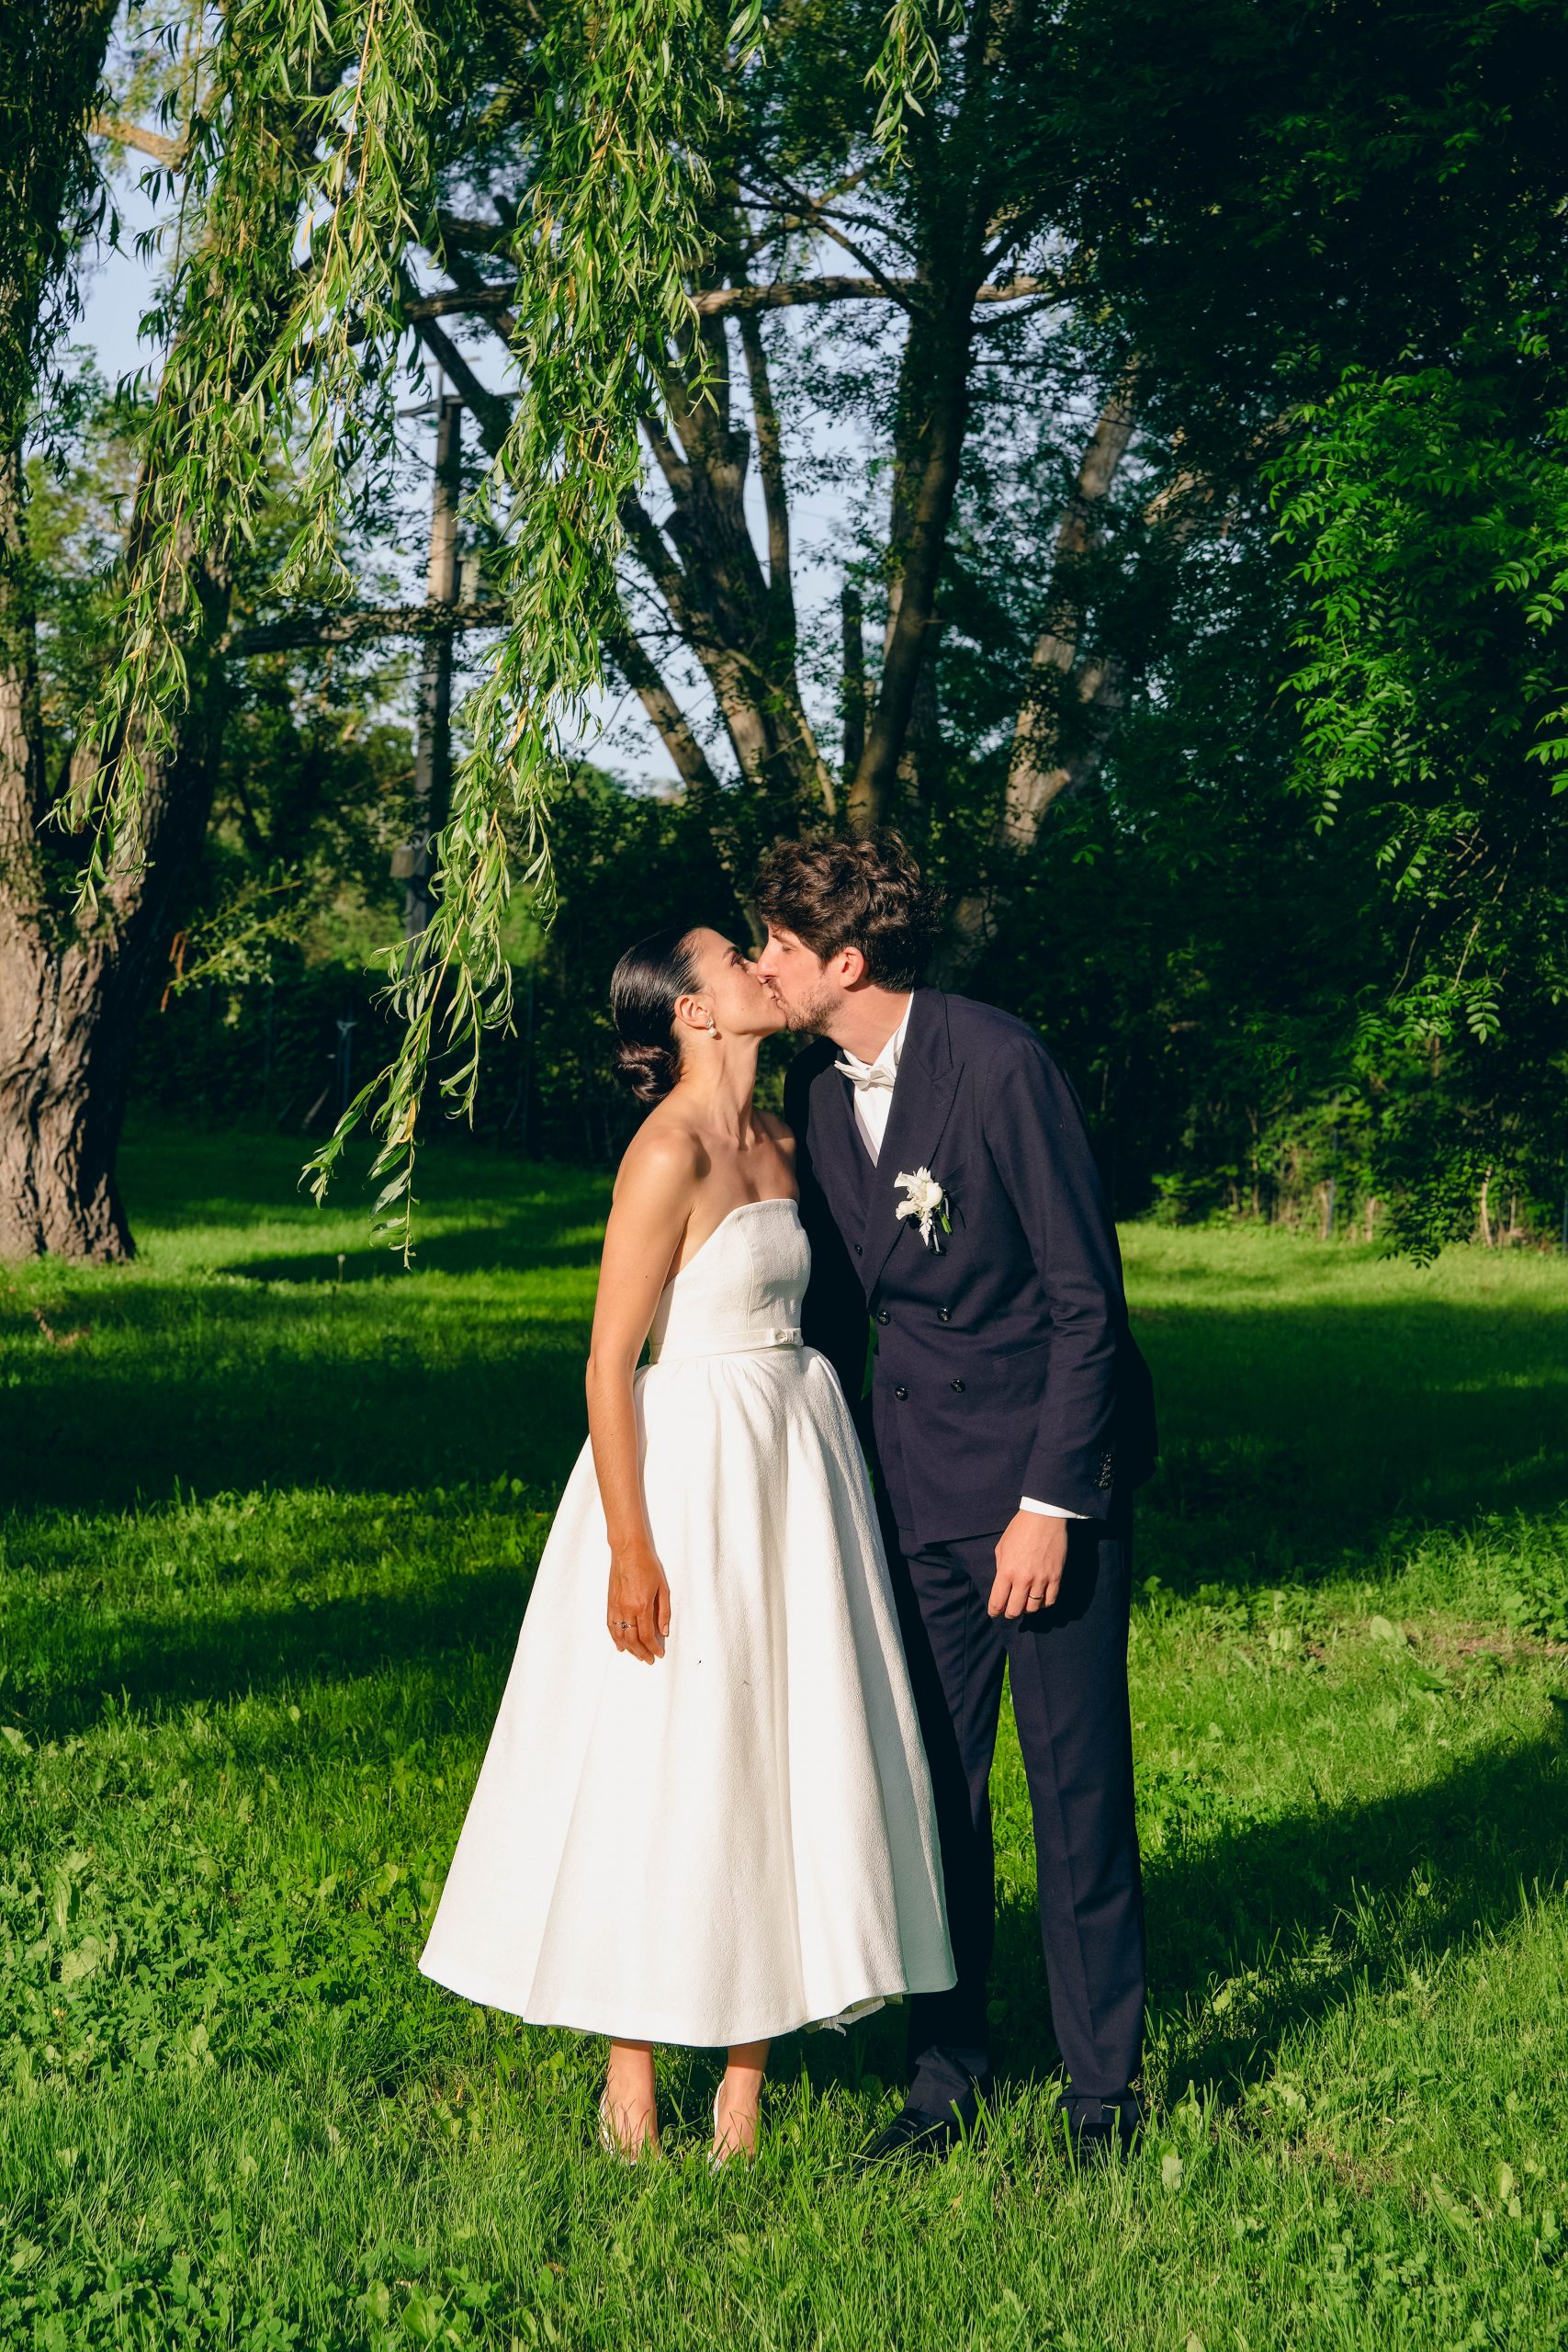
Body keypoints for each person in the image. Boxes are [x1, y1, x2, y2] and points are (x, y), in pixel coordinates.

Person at [418, 922, 954, 2163]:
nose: (762, 967)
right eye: (730, 960)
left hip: (794, 1459)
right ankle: (633, 2058)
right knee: (669, 1750)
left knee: (772, 1740)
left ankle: (747, 2080)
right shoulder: (666, 1151)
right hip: (693, 1466)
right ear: (693, 1012)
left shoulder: (786, 1135)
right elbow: (609, 1360)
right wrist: (631, 1547)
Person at [754, 834, 1156, 2170]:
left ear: (846, 960)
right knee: (934, 1797)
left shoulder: (999, 1062)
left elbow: (1086, 1304)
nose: (764, 964)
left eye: (781, 946)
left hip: (1042, 1490)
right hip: (912, 1490)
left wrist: (1053, 1504)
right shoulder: (817, 1091)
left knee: (1076, 1794)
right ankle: (946, 2080)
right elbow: (835, 1308)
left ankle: (1103, 2095)